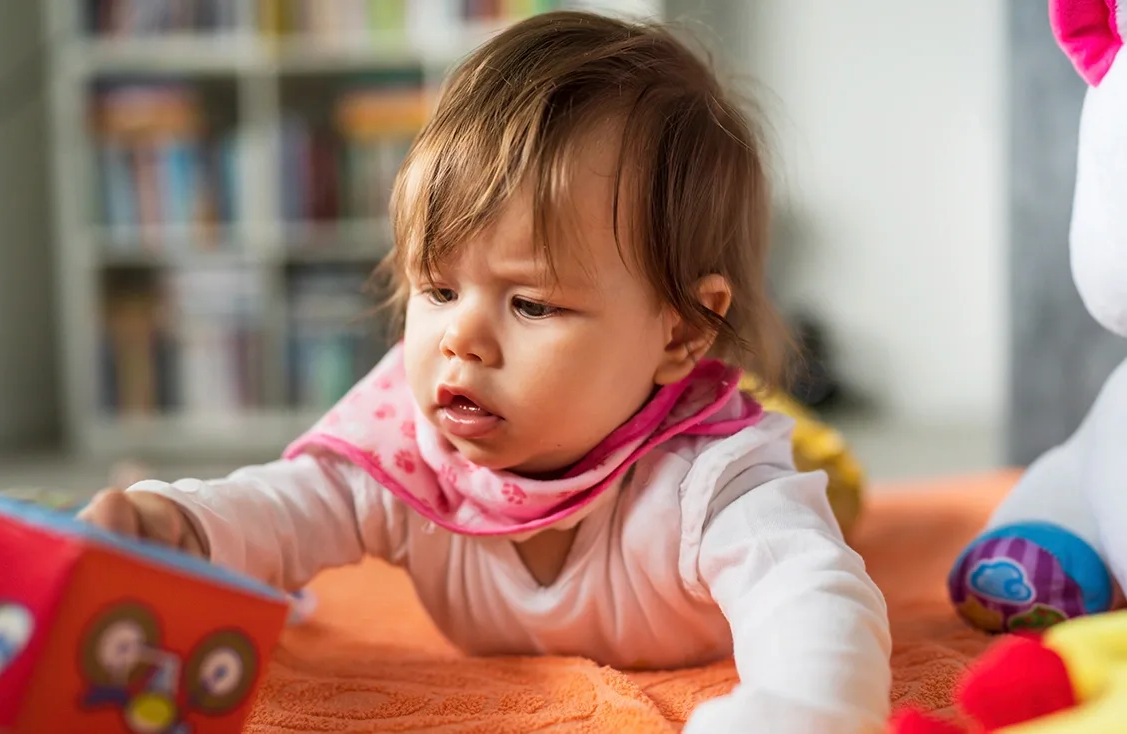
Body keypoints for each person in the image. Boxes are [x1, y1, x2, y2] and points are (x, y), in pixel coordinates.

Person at [78, 11, 892, 733]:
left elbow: (812, 599)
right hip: (634, 390)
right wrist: (172, 526)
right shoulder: (409, 441)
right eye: (437, 288)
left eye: (531, 305)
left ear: (679, 329)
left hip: (720, 426)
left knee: (827, 486)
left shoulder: (714, 481)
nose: (461, 339)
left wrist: (790, 711)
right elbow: (283, 508)